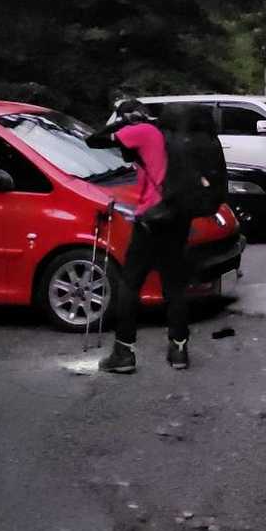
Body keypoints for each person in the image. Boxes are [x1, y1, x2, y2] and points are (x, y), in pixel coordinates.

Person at [85, 98, 194, 373]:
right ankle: (179, 350)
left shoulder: (142, 131)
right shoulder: (167, 135)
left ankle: (124, 352)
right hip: (178, 216)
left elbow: (94, 141)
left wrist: (123, 121)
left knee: (130, 283)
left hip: (153, 219)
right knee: (174, 285)